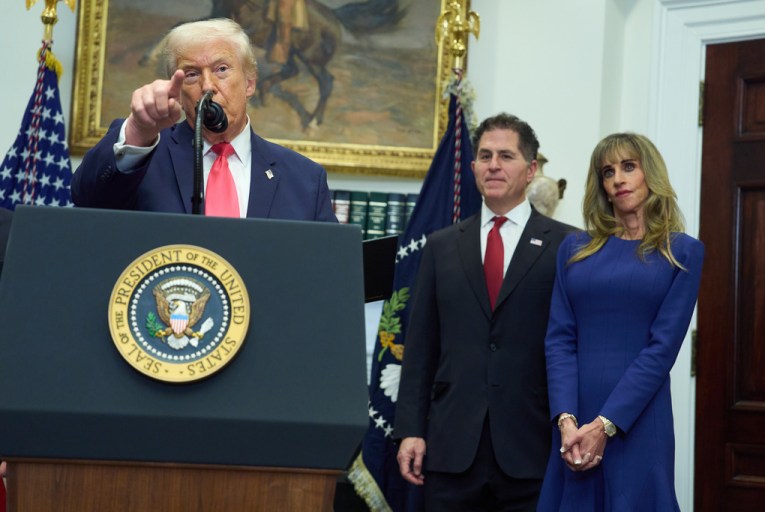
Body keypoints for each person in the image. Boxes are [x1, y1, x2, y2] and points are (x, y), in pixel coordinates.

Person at [395, 113, 575, 511]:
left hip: (532, 449)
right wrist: (410, 430)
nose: (494, 164)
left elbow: (574, 345)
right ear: (473, 167)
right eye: (485, 155)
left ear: (530, 171)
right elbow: (420, 345)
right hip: (450, 450)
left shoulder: (567, 246)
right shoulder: (441, 246)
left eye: (506, 156)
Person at [537, 133, 704, 511]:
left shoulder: (683, 252)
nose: (618, 179)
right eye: (607, 172)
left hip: (638, 420)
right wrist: (566, 420)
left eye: (629, 167)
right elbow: (559, 339)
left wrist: (606, 424)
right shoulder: (574, 249)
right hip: (573, 420)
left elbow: (662, 350)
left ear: (651, 175)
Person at [71, 18, 335, 222]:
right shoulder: (142, 152)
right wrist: (138, 131)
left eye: (221, 69)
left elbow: (328, 272)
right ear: (177, 89)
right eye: (191, 74)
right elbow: (87, 201)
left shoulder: (304, 179)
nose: (208, 86)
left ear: (250, 83)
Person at [265, 0, 308, 65]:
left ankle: (282, 57)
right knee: (280, 30)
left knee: (285, 31)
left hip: (288, 8)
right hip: (284, 7)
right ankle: (279, 56)